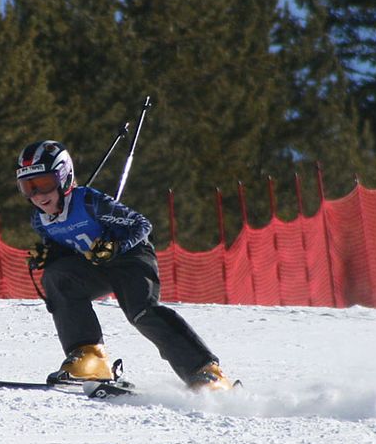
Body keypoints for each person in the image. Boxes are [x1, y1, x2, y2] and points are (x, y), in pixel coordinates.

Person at [17, 139, 234, 390]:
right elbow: (65, 248)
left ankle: (206, 371)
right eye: (28, 187)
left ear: (64, 177)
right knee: (57, 276)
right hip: (97, 265)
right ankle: (90, 357)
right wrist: (49, 255)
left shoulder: (89, 201)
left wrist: (116, 247)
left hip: (131, 260)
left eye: (44, 184)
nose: (38, 195)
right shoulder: (40, 220)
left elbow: (141, 225)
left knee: (141, 312)